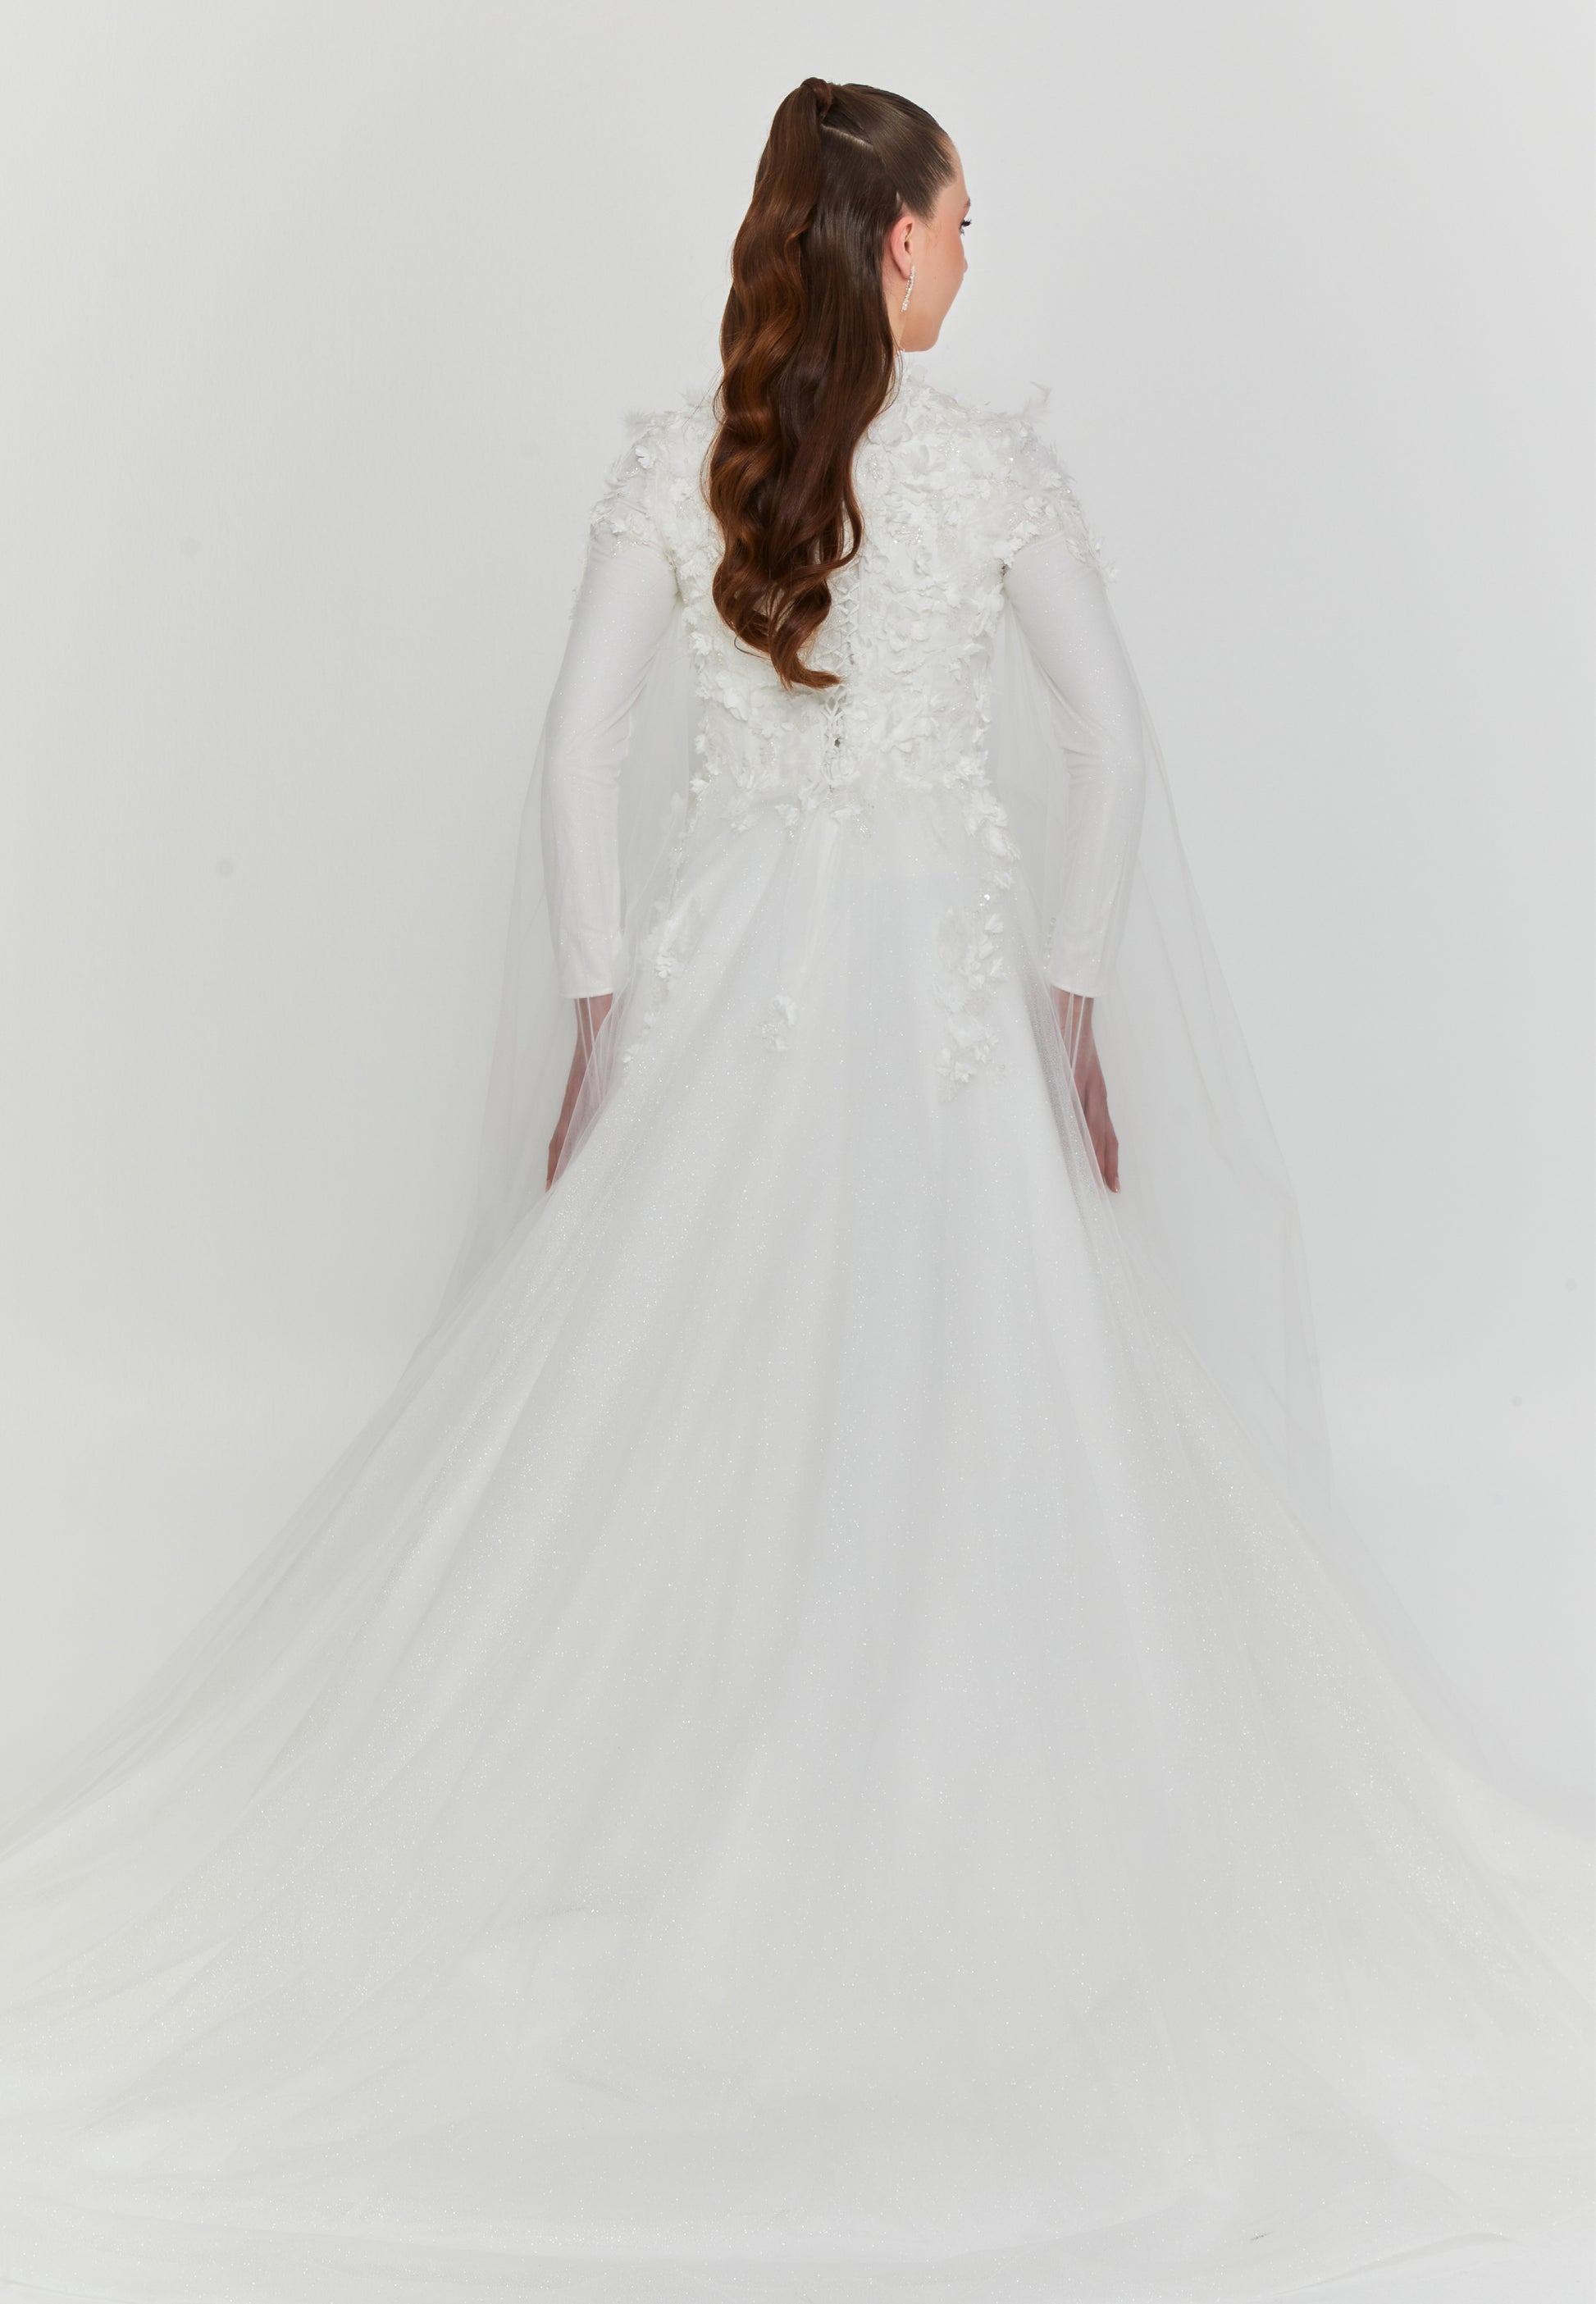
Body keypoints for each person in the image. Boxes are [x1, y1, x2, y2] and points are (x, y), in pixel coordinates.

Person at [0, 75, 1589, 2304]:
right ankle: (960, 1824)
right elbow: (1113, 747)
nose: (974, 257)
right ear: (901, 244)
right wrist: (1064, 991)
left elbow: (574, 750)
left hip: (734, 981)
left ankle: (672, 1799)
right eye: (963, 221)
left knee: (677, 1396)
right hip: (936, 994)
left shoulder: (690, 460)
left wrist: (600, 1000)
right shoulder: (994, 471)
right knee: (974, 1388)